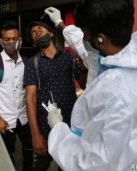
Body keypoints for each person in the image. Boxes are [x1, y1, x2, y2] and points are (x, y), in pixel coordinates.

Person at [44, 0, 137, 170]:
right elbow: (80, 43)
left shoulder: (115, 95)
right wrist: (59, 23)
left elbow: (91, 165)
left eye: (85, 34)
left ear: (100, 39)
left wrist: (58, 130)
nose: (82, 38)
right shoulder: (132, 51)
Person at [24, 20, 79, 171]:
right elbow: (30, 98)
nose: (36, 32)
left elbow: (85, 83)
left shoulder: (69, 58)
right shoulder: (32, 63)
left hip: (71, 124)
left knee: (69, 165)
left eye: (39, 29)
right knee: (40, 166)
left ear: (52, 33)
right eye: (33, 32)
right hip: (45, 126)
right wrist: (35, 134)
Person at [0, 21, 33, 171]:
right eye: (7, 39)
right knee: (8, 153)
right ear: (1, 41)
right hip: (5, 118)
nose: (11, 42)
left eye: (15, 39)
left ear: (20, 40)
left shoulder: (26, 62)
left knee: (29, 150)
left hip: (24, 117)